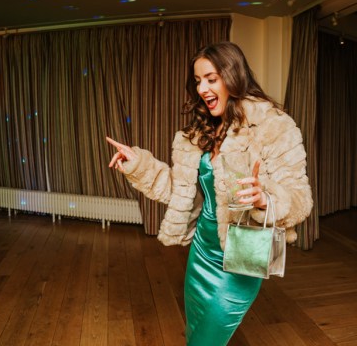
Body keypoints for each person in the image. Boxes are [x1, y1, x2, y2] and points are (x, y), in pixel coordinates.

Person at [106, 41, 313, 345]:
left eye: (211, 79)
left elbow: (299, 198)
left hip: (242, 251)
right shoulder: (199, 133)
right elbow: (178, 189)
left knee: (207, 339)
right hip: (202, 251)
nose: (202, 88)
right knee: (196, 334)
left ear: (233, 76)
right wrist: (138, 165)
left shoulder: (273, 125)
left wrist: (264, 199)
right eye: (198, 80)